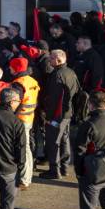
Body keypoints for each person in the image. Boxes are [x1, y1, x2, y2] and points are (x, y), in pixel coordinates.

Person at [40, 49, 79, 180]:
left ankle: (54, 171)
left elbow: (54, 99)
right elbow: (77, 91)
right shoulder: (71, 72)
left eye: (51, 58)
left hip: (57, 114)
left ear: (59, 60)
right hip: (67, 114)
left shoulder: (57, 74)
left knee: (53, 142)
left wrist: (48, 116)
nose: (49, 60)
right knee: (64, 141)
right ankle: (64, 168)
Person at [9, 56, 40, 189]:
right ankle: (24, 177)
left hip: (19, 120)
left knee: (24, 149)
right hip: (29, 118)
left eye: (11, 67)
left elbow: (14, 103)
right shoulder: (32, 80)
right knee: (25, 148)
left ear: (15, 68)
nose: (9, 69)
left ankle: (24, 179)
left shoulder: (18, 83)